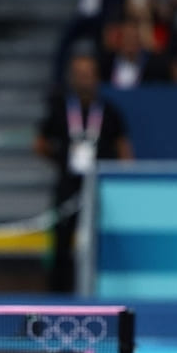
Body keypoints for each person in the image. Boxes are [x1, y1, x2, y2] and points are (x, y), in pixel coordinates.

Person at [35, 50, 134, 294]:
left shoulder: (109, 111)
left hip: (100, 187)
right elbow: (40, 144)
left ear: (97, 77)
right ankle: (58, 293)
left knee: (100, 238)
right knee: (62, 239)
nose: (84, 80)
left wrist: (122, 178)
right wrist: (61, 159)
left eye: (88, 74)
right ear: (71, 78)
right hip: (69, 184)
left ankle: (99, 291)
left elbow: (124, 150)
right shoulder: (61, 109)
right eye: (79, 74)